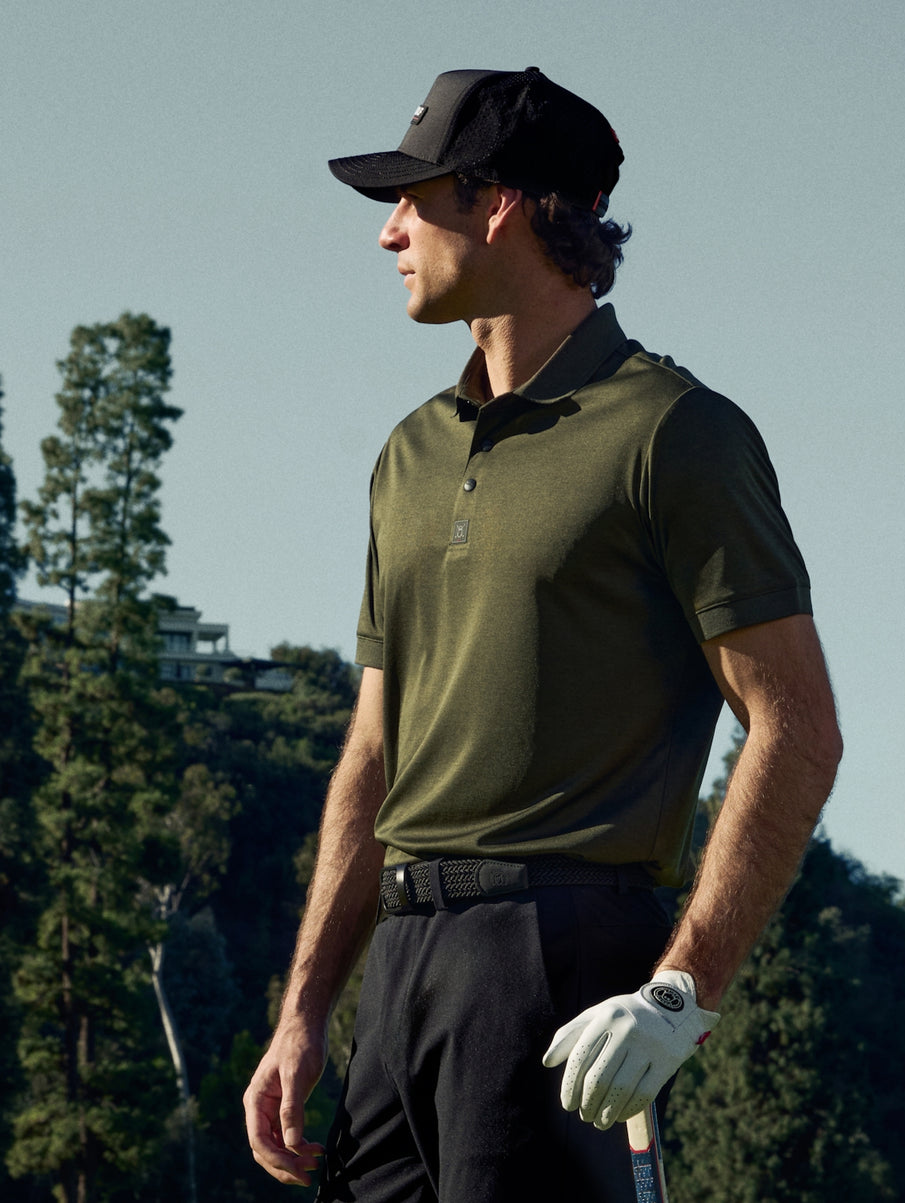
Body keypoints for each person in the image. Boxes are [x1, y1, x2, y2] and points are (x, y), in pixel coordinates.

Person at [243, 66, 842, 1202]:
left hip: (557, 955)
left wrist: (682, 991)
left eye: (415, 199)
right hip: (404, 972)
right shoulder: (409, 454)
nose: (389, 232)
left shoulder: (678, 434)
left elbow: (796, 728)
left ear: (501, 203)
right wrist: (306, 1010)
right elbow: (375, 752)